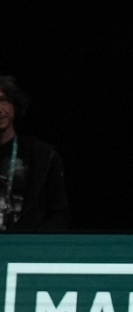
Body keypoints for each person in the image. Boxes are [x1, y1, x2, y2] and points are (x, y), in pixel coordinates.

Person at [0, 76, 73, 231]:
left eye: (4, 100)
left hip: (26, 251)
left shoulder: (42, 155)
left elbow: (59, 214)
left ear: (14, 105)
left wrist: (35, 246)